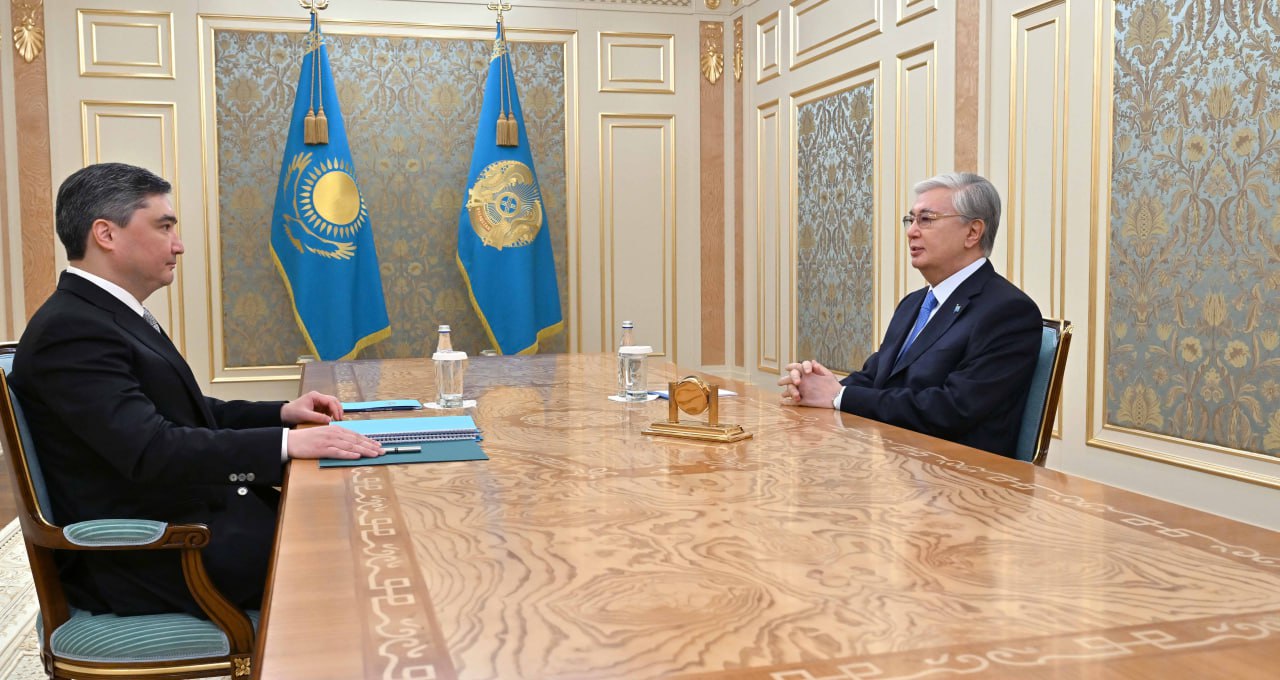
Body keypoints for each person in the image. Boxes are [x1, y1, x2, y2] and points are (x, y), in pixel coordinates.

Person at [8, 162, 385, 617]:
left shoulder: (102, 314)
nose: (178, 244)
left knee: (358, 513)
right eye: (164, 226)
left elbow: (179, 412)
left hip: (194, 522)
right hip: (159, 555)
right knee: (367, 548)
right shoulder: (71, 331)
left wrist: (282, 414)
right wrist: (286, 445)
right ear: (106, 234)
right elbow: (151, 450)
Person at [778, 172, 1041, 459]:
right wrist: (821, 387)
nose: (911, 231)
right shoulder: (913, 303)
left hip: (958, 473)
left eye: (926, 219)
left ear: (972, 232)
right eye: (911, 219)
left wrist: (840, 396)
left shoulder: (1008, 311)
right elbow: (876, 376)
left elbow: (952, 409)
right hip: (896, 462)